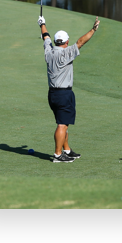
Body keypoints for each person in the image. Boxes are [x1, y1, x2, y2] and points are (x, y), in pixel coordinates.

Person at [37, 15, 100, 163]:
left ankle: (67, 150)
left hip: (52, 94)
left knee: (63, 123)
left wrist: (42, 23)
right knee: (62, 124)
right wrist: (93, 29)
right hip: (63, 94)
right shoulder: (66, 53)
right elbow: (81, 42)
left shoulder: (49, 51)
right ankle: (58, 155)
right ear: (66, 42)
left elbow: (45, 37)